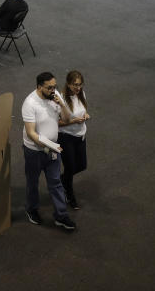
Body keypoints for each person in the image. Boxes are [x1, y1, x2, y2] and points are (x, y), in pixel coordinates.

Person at [22, 72, 77, 231]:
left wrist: (62, 105)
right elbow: (31, 133)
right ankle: (31, 209)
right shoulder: (30, 103)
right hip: (34, 151)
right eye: (49, 88)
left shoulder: (55, 96)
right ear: (39, 87)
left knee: (55, 183)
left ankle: (61, 215)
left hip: (52, 149)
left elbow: (66, 120)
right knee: (33, 183)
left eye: (55, 87)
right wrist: (49, 147)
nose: (53, 90)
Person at [58, 70, 89, 210]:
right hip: (66, 137)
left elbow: (83, 110)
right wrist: (73, 121)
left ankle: (61, 180)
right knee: (70, 167)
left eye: (80, 84)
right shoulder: (61, 99)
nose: (78, 88)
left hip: (80, 135)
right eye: (75, 85)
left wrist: (86, 115)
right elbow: (56, 123)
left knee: (82, 165)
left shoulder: (81, 94)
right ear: (68, 84)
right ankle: (69, 195)